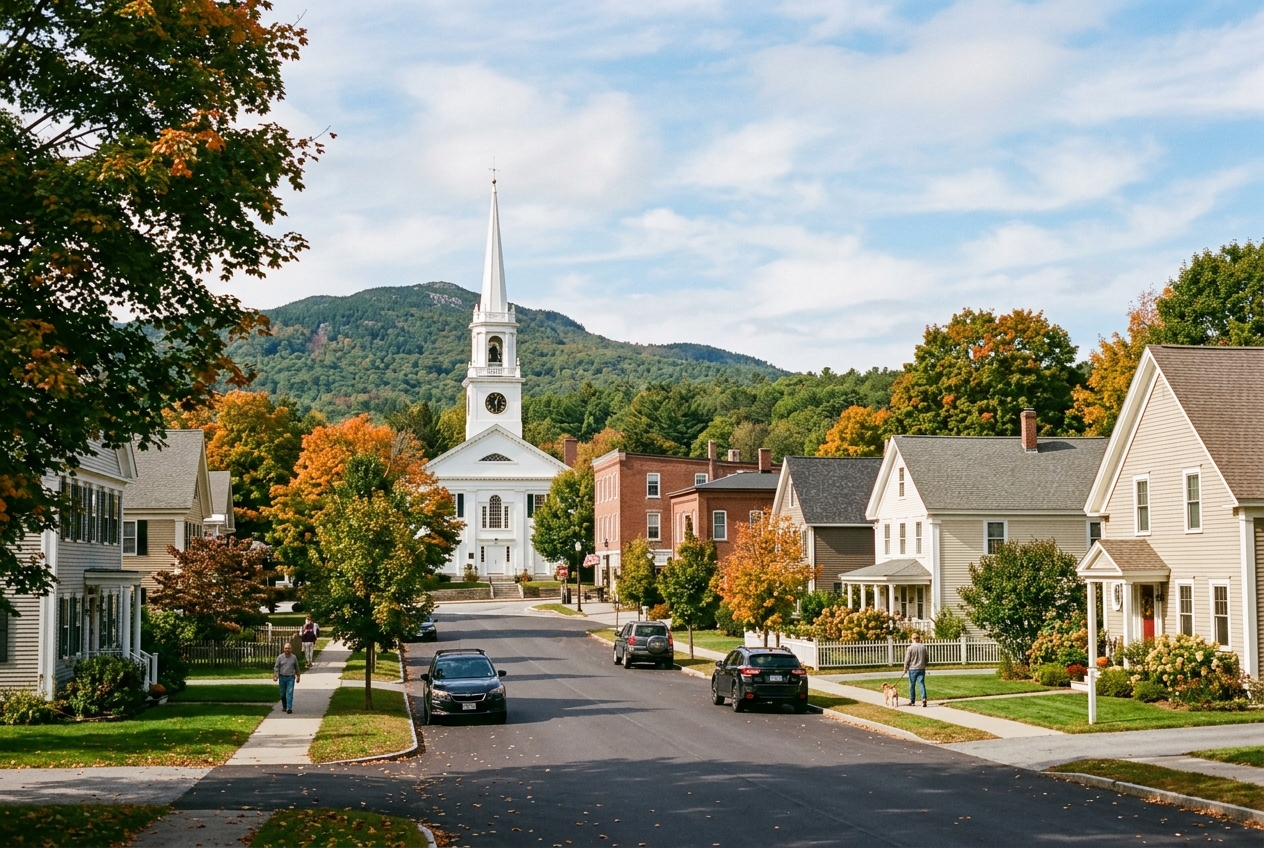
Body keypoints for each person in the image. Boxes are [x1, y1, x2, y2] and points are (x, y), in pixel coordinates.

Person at [273, 642, 301, 714]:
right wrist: (276, 676)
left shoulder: (294, 657)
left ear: (291, 649)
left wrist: (298, 676)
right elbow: (276, 667)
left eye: (289, 648)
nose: (287, 650)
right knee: (283, 693)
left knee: (290, 692)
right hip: (282, 677)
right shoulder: (280, 657)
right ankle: (284, 706)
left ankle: (289, 708)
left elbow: (297, 667)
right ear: (283, 649)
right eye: (286, 648)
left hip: (290, 677)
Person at [903, 632, 928, 707]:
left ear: (913, 639)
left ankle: (912, 700)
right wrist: (924, 664)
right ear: (919, 639)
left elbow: (907, 659)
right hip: (921, 668)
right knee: (921, 684)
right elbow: (927, 658)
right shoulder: (923, 647)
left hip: (912, 668)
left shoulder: (910, 648)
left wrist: (905, 668)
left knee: (912, 685)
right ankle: (923, 699)